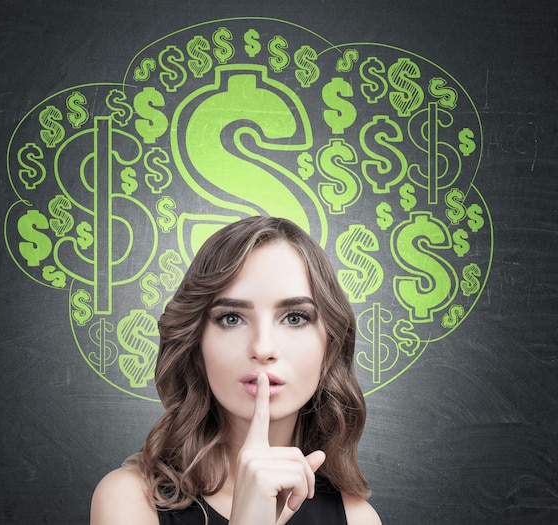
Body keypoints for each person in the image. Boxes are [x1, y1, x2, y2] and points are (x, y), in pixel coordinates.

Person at [91, 216, 381, 525]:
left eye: (295, 318)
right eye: (231, 318)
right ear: (196, 343)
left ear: (331, 344)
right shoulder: (128, 500)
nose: (263, 348)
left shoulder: (358, 519)